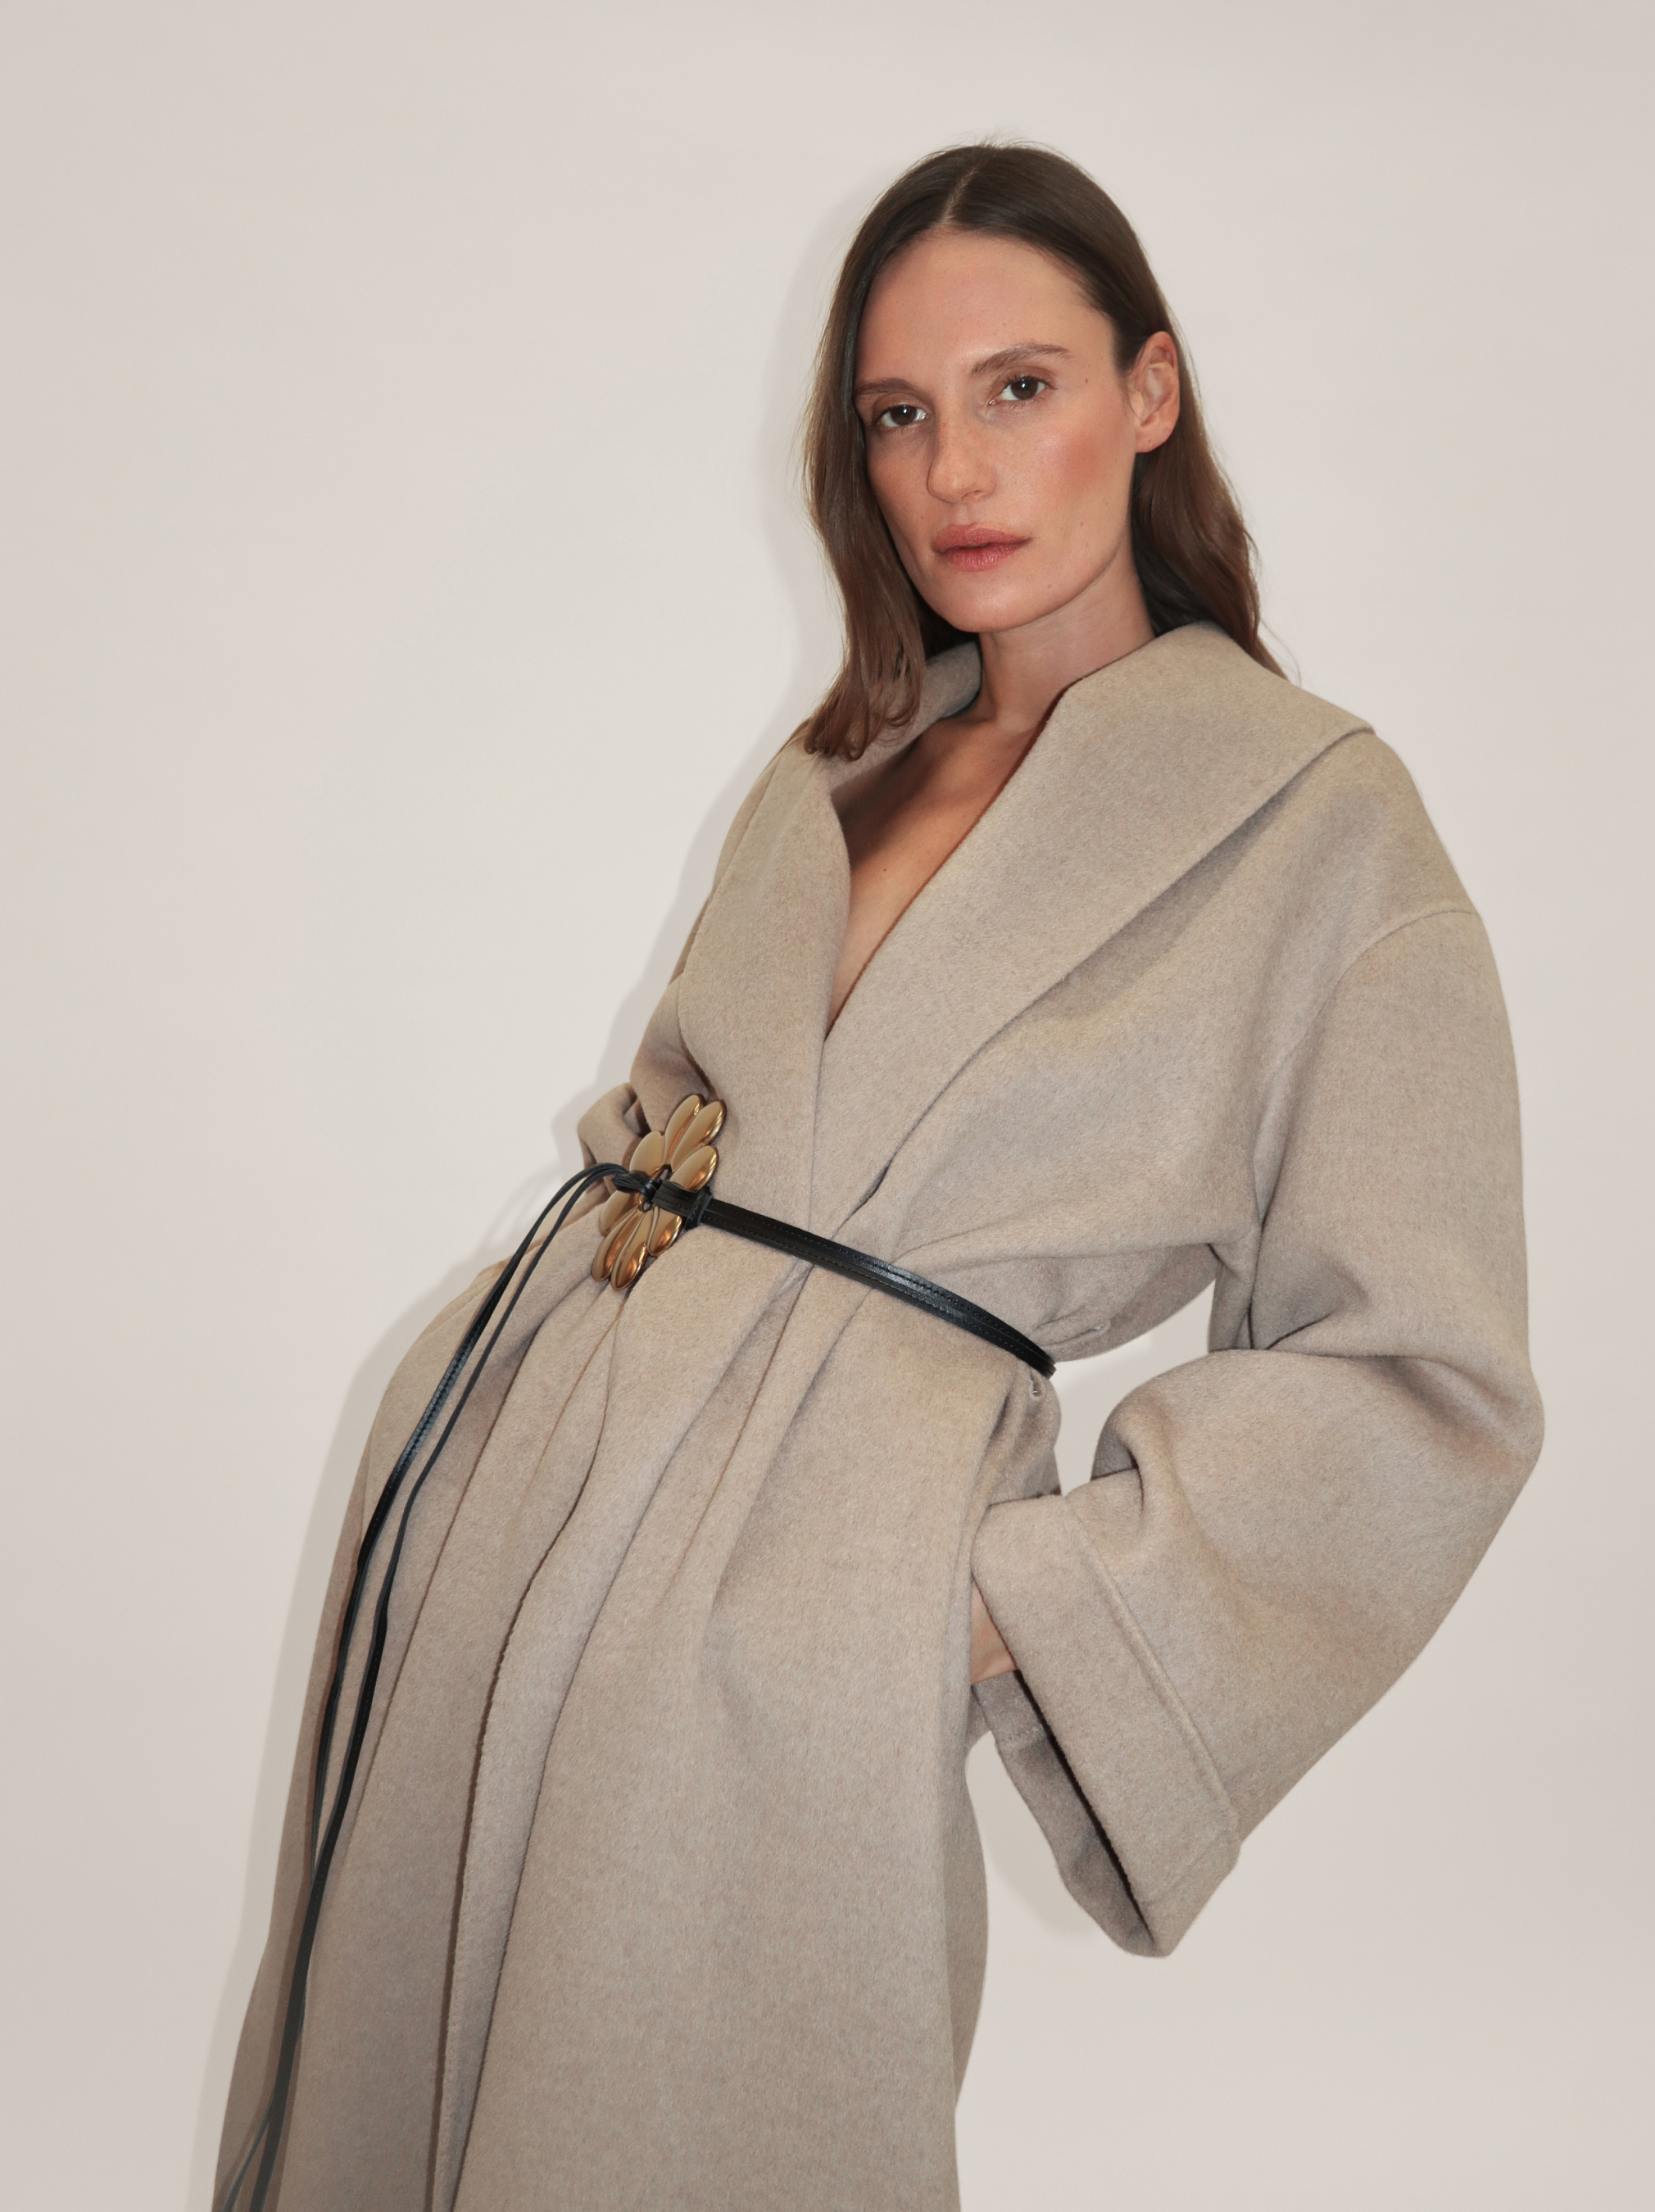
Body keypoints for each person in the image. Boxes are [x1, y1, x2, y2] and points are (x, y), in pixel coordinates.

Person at [215, 143, 1543, 2210]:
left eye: (1021, 389)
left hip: (800, 1620)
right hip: (513, 1517)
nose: (955, 472)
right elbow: (682, 1121)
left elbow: (1424, 1375)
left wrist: (991, 1609)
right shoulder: (838, 761)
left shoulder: (1319, 825)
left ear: (1152, 394)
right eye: (900, 415)